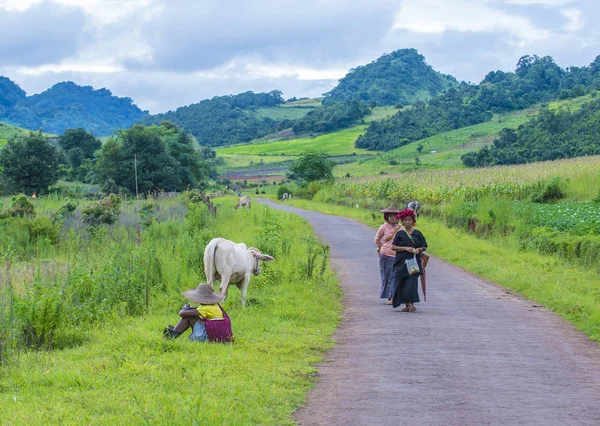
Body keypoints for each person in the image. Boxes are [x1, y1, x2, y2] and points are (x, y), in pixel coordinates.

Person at [391, 208, 428, 312]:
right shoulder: (399, 234)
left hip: (414, 263)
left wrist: (417, 250)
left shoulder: (417, 234)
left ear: (413, 221)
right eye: (405, 220)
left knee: (411, 284)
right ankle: (407, 305)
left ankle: (411, 303)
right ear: (402, 221)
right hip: (401, 264)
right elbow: (393, 247)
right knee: (401, 284)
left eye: (409, 220)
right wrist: (405, 248)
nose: (407, 222)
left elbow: (424, 246)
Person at [374, 205, 402, 304]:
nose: (392, 218)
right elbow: (377, 240)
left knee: (395, 276)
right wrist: (381, 247)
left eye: (394, 215)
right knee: (387, 275)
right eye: (390, 216)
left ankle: (393, 295)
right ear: (387, 217)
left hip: (397, 255)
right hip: (385, 255)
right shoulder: (383, 227)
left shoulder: (400, 228)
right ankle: (389, 297)